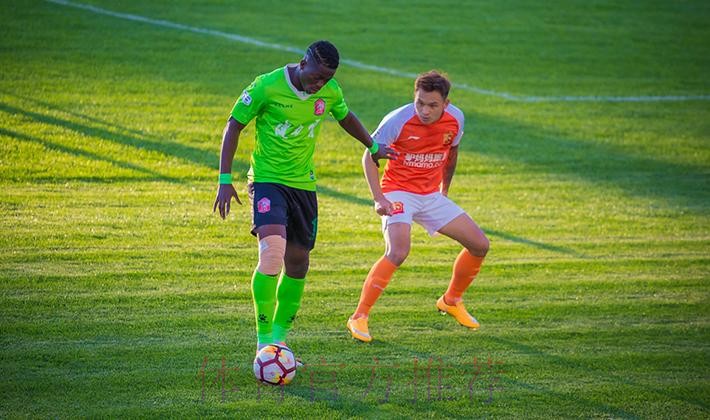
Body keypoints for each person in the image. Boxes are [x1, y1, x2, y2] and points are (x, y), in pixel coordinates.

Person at [213, 40, 395, 355]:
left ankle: (279, 340)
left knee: (298, 263)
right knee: (272, 254)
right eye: (316, 76)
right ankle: (264, 341)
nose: (319, 84)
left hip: (303, 186)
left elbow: (345, 117)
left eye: (326, 79)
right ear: (302, 63)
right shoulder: (267, 86)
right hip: (267, 181)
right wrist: (225, 180)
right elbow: (234, 126)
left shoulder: (329, 91)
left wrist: (373, 146)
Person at [346, 70, 489, 343]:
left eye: (432, 105)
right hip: (398, 191)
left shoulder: (456, 118)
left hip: (430, 195)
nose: (424, 110)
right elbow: (369, 156)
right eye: (420, 103)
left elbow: (452, 152)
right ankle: (359, 316)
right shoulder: (397, 120)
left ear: (446, 103)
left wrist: (444, 189)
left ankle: (451, 300)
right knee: (398, 251)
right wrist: (379, 198)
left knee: (480, 245)